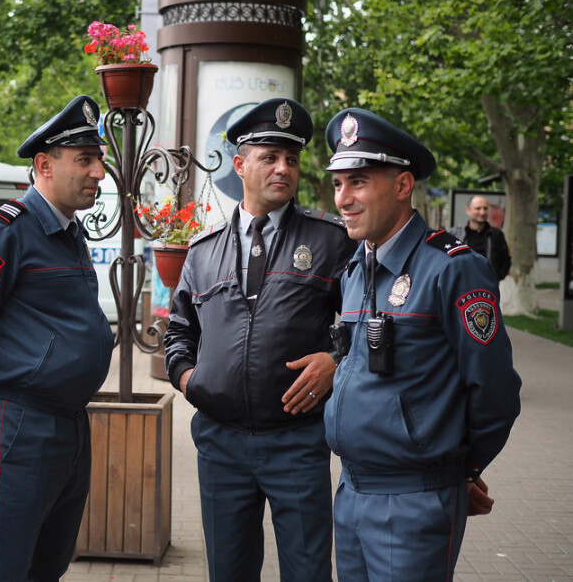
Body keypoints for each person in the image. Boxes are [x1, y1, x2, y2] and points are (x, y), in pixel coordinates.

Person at [324, 108, 522, 581]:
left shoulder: (454, 268)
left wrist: (460, 470)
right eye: (337, 184)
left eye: (359, 181)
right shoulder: (356, 267)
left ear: (402, 185)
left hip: (413, 501)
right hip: (351, 491)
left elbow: (494, 391)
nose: (343, 199)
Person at [163, 97, 355, 581]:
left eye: (291, 158)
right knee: (228, 573)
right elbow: (179, 334)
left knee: (308, 572)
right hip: (221, 445)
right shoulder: (204, 252)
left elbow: (368, 322)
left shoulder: (332, 241)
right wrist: (190, 381)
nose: (283, 168)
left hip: (297, 441)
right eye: (269, 157)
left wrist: (336, 360)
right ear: (240, 165)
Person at [0, 94, 115, 582]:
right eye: (85, 160)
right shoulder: (5, 232)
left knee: (47, 566)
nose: (99, 171)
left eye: (98, 159)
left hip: (67, 424)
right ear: (44, 165)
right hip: (21, 425)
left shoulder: (68, 231)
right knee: (3, 569)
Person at [447, 195, 512, 280]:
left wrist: (495, 278)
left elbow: (506, 260)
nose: (482, 212)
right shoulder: (456, 234)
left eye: (485, 208)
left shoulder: (496, 235)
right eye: (478, 208)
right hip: (462, 284)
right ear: (468, 210)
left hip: (487, 286)